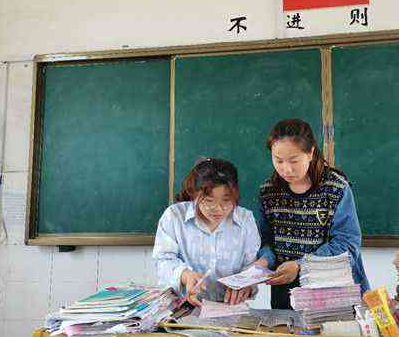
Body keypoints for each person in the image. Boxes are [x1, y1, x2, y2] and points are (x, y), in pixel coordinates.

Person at [255, 118, 370, 309]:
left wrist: (300, 265)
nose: (286, 169)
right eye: (278, 160)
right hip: (287, 295)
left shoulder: (335, 188)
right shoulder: (268, 192)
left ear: (310, 153)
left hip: (333, 293)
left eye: (294, 160)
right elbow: (265, 241)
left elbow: (347, 244)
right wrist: (264, 260)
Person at [153, 158, 260, 306]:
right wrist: (185, 275)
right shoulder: (174, 216)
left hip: (229, 308)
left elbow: (252, 265)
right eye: (209, 201)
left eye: (226, 200)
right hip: (182, 306)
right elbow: (162, 260)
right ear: (195, 194)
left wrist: (246, 284)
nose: (218, 209)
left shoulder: (245, 219)